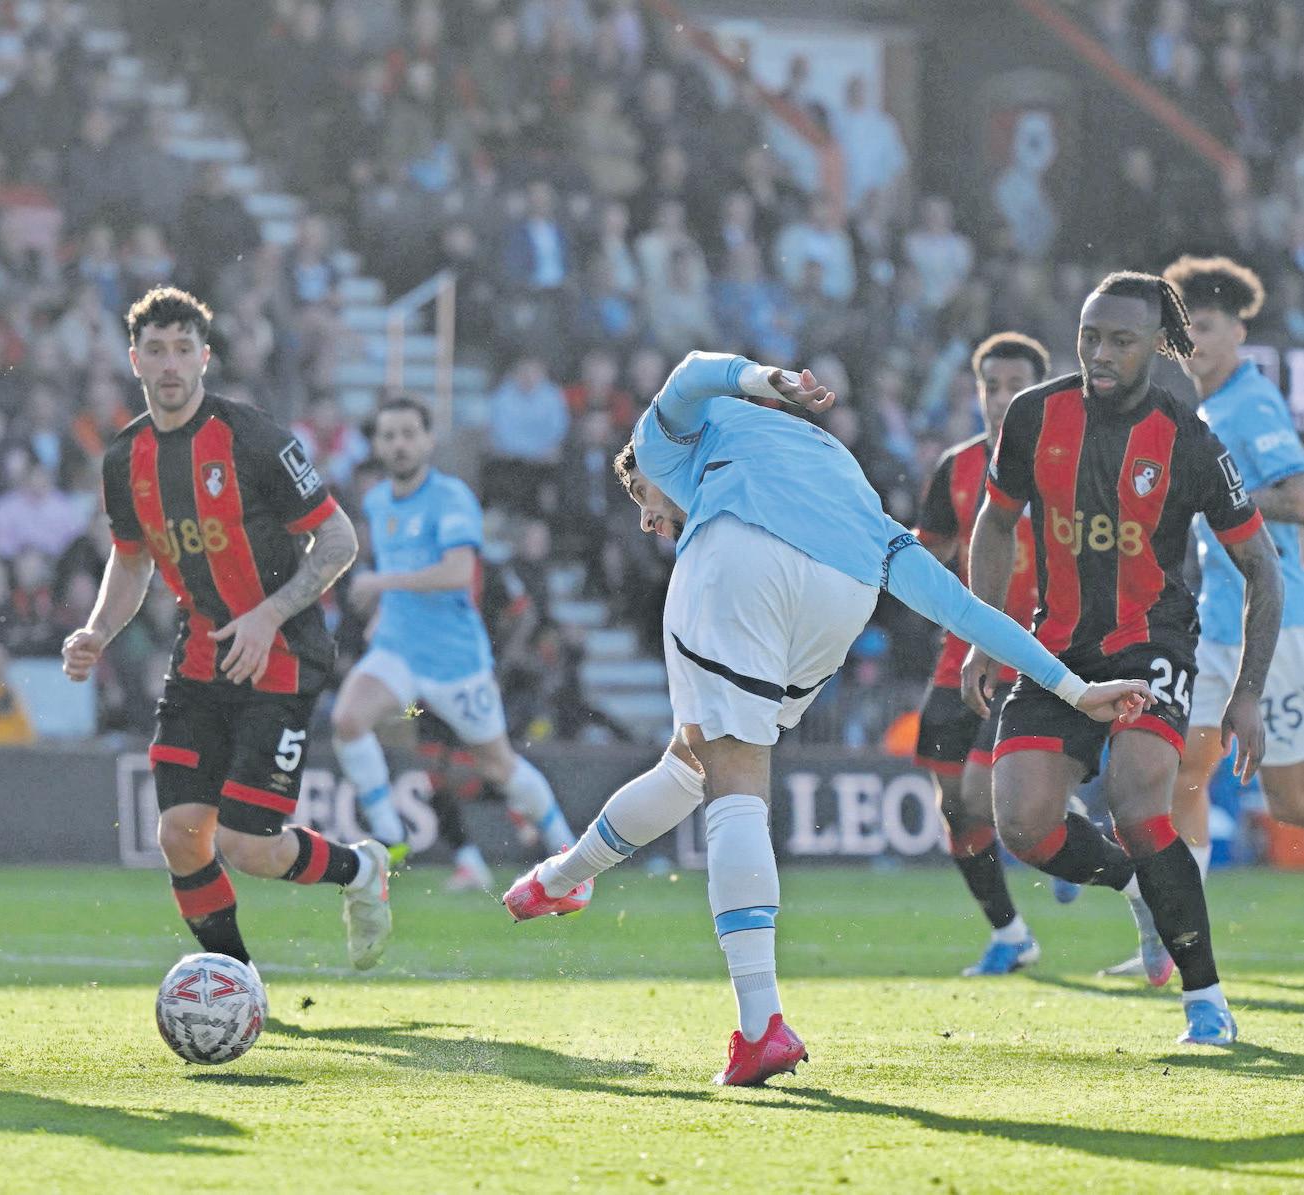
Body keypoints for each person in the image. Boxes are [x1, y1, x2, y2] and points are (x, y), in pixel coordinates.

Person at [503, 350, 1152, 1087]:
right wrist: (1071, 686)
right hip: (840, 596)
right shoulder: (838, 470)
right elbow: (960, 605)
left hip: (741, 557)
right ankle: (564, 874)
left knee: (729, 770)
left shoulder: (679, 436)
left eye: (642, 499)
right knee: (695, 763)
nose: (650, 518)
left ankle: (760, 1026)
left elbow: (688, 374)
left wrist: (758, 378)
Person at [965, 271, 1283, 1046]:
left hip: (1152, 645)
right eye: (1088, 336)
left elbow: (1262, 570)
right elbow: (994, 523)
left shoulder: (1187, 438)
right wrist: (982, 632)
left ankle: (1205, 1002)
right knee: (1021, 824)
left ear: (1156, 347)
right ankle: (1140, 886)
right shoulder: (1035, 415)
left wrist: (1245, 691)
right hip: (1057, 647)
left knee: (1141, 800)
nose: (1099, 353)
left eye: (1120, 340)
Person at [61, 287, 392, 972]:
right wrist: (97, 630)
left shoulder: (252, 439)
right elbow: (131, 560)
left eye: (184, 348)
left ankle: (360, 868)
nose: (171, 363)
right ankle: (237, 982)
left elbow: (337, 538)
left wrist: (269, 614)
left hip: (283, 654)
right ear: (135, 360)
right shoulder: (124, 460)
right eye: (156, 350)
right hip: (202, 657)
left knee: (246, 845)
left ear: (205, 357)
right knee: (180, 835)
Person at [330, 397, 574, 876]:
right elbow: (400, 565)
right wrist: (385, 610)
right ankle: (389, 837)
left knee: (498, 766)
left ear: (427, 440)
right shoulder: (378, 501)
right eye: (389, 436)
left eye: (408, 434)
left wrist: (381, 586)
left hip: (455, 662)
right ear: (377, 444)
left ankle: (567, 849)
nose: (398, 445)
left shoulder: (451, 497)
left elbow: (457, 572)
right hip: (398, 650)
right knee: (347, 719)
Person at [913, 333, 1050, 976]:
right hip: (961, 654)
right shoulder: (957, 467)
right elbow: (932, 548)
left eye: (1014, 386)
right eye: (990, 386)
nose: (1000, 400)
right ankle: (1011, 933)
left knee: (979, 791)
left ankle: (1061, 817)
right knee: (953, 803)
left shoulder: (1063, 466)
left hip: (1035, 655)